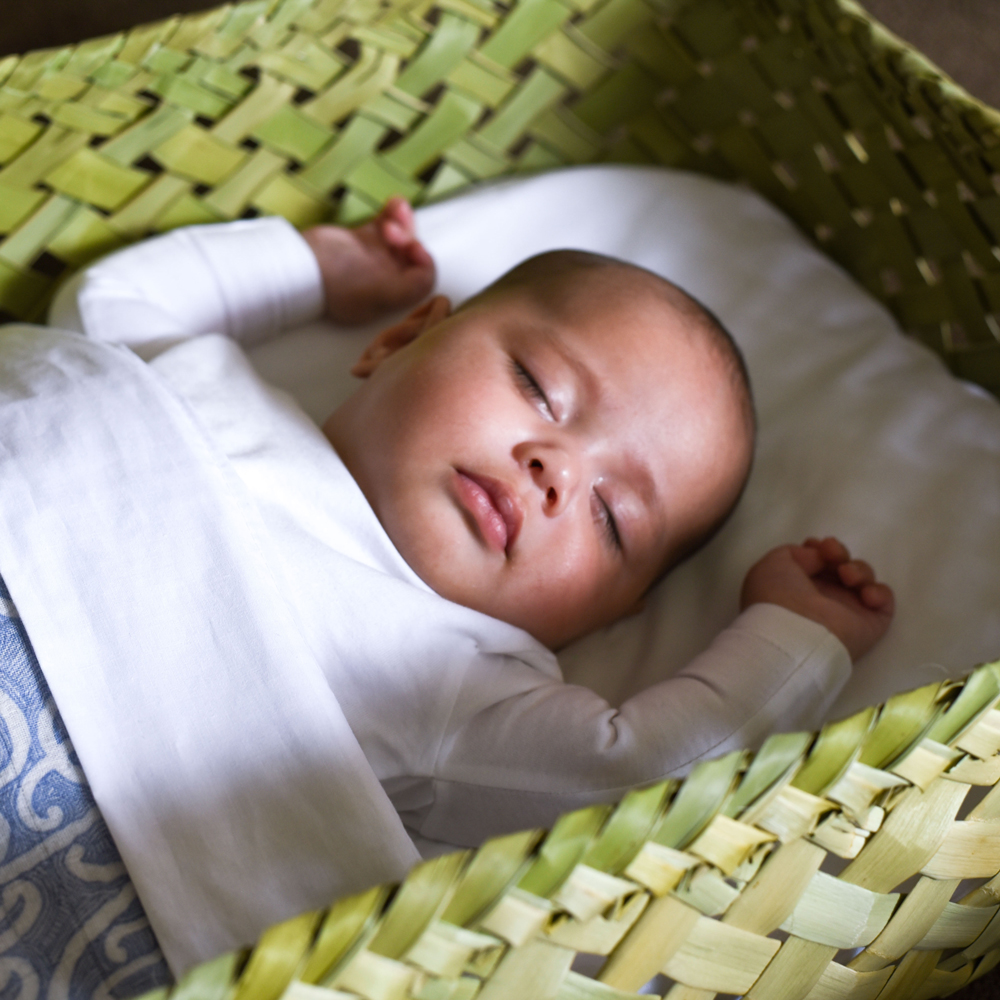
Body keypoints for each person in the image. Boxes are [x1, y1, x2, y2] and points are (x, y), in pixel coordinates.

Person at [48, 195, 894, 848]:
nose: (555, 471)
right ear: (401, 337)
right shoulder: (202, 375)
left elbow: (641, 773)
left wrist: (792, 636)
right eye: (538, 388)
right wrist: (318, 264)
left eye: (610, 519)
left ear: (608, 616)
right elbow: (103, 301)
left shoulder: (452, 677)